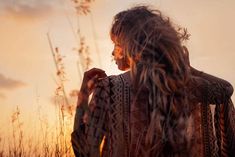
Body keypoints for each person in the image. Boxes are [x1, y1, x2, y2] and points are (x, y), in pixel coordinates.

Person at [71, 6, 235, 157]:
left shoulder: (109, 89)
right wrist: (188, 70)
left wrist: (84, 94)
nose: (113, 53)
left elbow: (84, 151)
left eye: (116, 44)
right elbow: (226, 89)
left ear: (130, 43)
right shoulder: (184, 86)